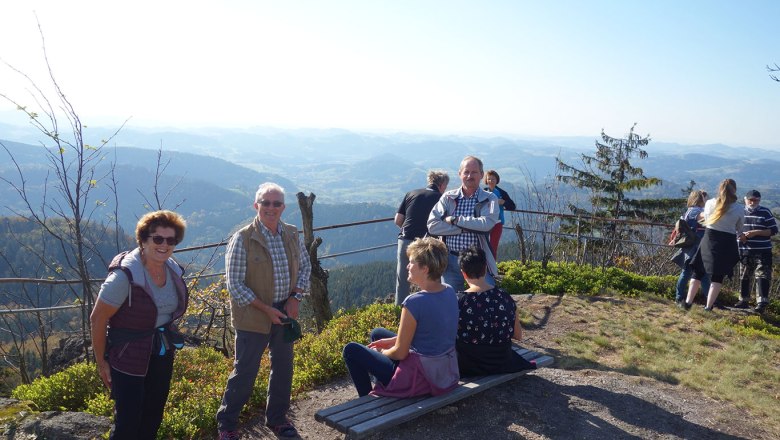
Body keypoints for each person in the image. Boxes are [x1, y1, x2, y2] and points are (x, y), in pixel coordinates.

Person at [216, 183, 311, 440]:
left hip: (285, 312)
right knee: (245, 371)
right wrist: (266, 309)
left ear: (283, 207)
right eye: (265, 203)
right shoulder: (243, 238)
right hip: (253, 315)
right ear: (255, 206)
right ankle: (227, 424)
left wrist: (296, 297)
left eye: (276, 203)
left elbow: (305, 268)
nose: (270, 208)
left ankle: (278, 419)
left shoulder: (291, 233)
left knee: (283, 368)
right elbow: (235, 285)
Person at [90, 210, 188, 440]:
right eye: (158, 239)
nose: (164, 245)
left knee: (153, 414)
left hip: (161, 351)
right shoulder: (124, 276)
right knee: (128, 420)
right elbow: (97, 319)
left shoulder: (171, 268)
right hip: (128, 355)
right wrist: (101, 361)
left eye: (171, 240)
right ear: (143, 240)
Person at [342, 237, 459, 397]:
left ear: (424, 268)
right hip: (444, 371)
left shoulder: (414, 302)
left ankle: (367, 401)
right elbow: (430, 333)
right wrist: (391, 342)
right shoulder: (449, 291)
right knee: (378, 333)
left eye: (411, 262)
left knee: (351, 350)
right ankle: (383, 384)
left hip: (420, 378)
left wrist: (382, 352)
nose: (407, 266)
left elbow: (401, 353)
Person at [455, 246, 536, 376]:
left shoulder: (458, 301)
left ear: (463, 272)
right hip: (502, 361)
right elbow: (518, 335)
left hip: (467, 365)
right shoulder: (504, 296)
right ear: (485, 268)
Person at [428, 155, 499, 290]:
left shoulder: (490, 199)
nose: (469, 176)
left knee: (484, 299)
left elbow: (487, 224)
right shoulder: (448, 197)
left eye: (474, 172)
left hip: (477, 261)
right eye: (466, 172)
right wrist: (465, 228)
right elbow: (432, 225)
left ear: (481, 175)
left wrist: (455, 220)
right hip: (450, 260)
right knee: (451, 302)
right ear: (460, 174)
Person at [684, 179, 744, 312]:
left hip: (708, 239)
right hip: (726, 243)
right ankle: (708, 307)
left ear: (719, 189)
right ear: (734, 190)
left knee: (697, 272)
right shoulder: (739, 208)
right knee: (717, 277)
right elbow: (740, 229)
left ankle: (687, 303)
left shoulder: (710, 203)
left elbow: (705, 218)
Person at [394, 170, 449, 305]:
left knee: (402, 279)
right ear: (442, 185)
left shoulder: (411, 193)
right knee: (431, 277)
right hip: (427, 245)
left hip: (405, 239)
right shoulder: (441, 199)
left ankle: (400, 310)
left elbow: (398, 219)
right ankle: (428, 306)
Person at [735, 190, 777, 313]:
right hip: (745, 250)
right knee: (744, 276)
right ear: (745, 199)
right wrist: (740, 236)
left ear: (759, 200)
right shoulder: (739, 212)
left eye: (755, 200)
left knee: (762, 276)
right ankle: (743, 300)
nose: (752, 202)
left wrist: (756, 232)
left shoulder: (765, 212)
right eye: (750, 200)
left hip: (763, 250)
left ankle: (761, 303)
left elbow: (773, 230)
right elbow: (733, 227)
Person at [670, 190, 711, 307]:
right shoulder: (695, 211)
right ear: (699, 199)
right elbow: (706, 220)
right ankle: (680, 298)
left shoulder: (690, 211)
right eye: (705, 198)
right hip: (695, 247)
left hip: (694, 246)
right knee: (690, 272)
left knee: (699, 274)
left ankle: (709, 300)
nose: (706, 201)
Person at [483, 170, 516, 260]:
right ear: (486, 180)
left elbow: (512, 206)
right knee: (483, 245)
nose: (491, 181)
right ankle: (483, 266)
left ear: (497, 180)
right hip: (484, 222)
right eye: (489, 179)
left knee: (493, 246)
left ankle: (492, 269)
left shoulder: (501, 193)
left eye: (493, 179)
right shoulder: (483, 192)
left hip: (497, 223)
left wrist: (503, 202)